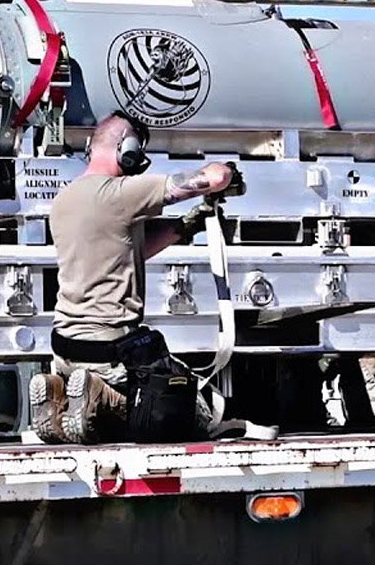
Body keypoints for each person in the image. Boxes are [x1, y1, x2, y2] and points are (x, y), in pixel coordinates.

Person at [30, 111, 238, 444]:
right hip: (110, 351)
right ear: (125, 149)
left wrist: (187, 225)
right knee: (178, 407)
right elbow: (211, 178)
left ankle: (59, 394)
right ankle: (101, 398)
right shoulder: (118, 193)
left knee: (119, 399)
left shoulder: (65, 199)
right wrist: (227, 172)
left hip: (66, 346)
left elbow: (128, 249)